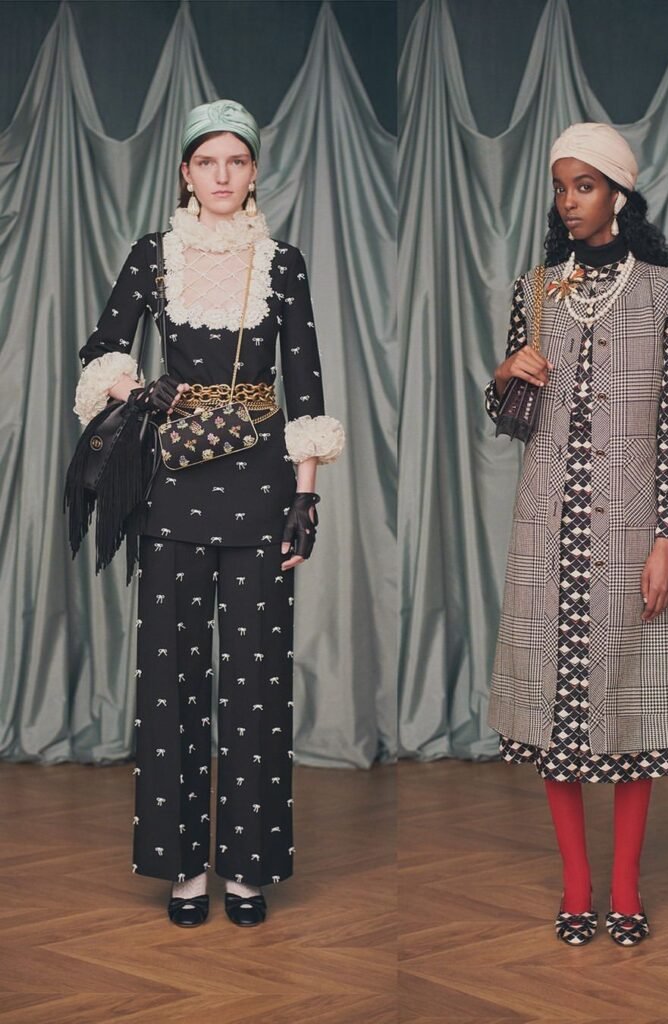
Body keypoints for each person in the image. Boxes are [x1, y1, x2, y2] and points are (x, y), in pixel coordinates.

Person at [73, 99, 345, 928]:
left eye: (236, 160)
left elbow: (306, 383)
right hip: (171, 487)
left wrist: (306, 496)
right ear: (186, 173)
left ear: (254, 171)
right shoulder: (152, 255)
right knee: (170, 683)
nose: (221, 176)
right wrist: (138, 389)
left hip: (263, 490)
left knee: (257, 685)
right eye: (206, 162)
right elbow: (102, 350)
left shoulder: (284, 263)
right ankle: (184, 867)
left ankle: (248, 870)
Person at [484, 122, 668, 947]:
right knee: (553, 716)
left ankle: (625, 888)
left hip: (630, 531)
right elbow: (513, 419)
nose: (568, 201)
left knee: (634, 712)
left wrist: (665, 536)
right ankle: (577, 888)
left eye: (584, 186)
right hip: (546, 529)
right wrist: (503, 373)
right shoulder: (536, 290)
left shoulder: (665, 292)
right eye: (560, 186)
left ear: (618, 194)